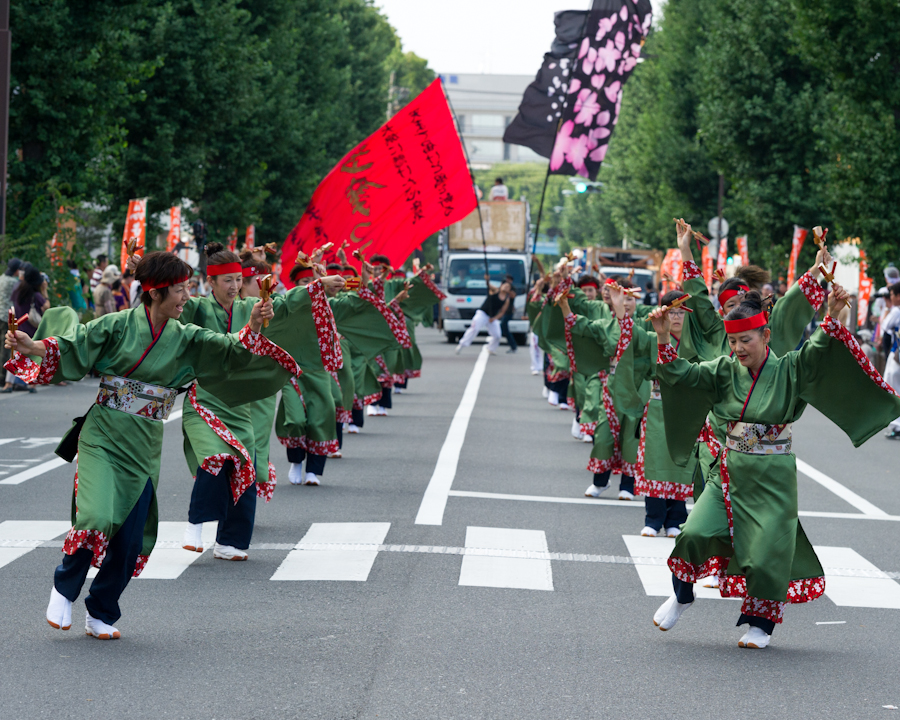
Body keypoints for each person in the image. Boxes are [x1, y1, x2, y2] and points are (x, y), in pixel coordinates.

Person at [4, 250, 296, 640]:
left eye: (188, 288)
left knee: (131, 538)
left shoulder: (186, 337)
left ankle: (101, 611)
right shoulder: (117, 325)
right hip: (104, 435)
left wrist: (255, 325)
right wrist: (31, 346)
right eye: (179, 289)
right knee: (96, 517)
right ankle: (64, 587)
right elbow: (77, 344)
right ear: (156, 292)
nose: (186, 297)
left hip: (144, 445)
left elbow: (228, 349)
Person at [647, 285, 900, 649]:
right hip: (729, 474)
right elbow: (682, 376)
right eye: (733, 342)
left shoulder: (789, 369)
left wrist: (832, 316)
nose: (738, 350)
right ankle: (683, 595)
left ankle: (760, 626)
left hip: (773, 478)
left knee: (767, 555)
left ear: (766, 335)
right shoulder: (722, 370)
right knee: (693, 534)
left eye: (745, 341)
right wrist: (661, 336)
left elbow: (817, 352)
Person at [455, 274, 512, 355]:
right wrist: (487, 280)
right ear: (501, 285)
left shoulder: (506, 299)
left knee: (498, 335)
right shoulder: (495, 291)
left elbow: (502, 312)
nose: (506, 287)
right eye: (505, 286)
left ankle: (491, 348)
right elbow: (488, 285)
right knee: (474, 328)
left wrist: (494, 318)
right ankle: (462, 344)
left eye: (508, 287)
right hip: (483, 313)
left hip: (492, 317)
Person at [882, 282, 900, 439]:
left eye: (893, 295)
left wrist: (888, 309)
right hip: (896, 353)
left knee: (893, 388)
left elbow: (885, 325)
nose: (891, 298)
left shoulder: (896, 311)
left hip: (897, 354)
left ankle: (897, 425)